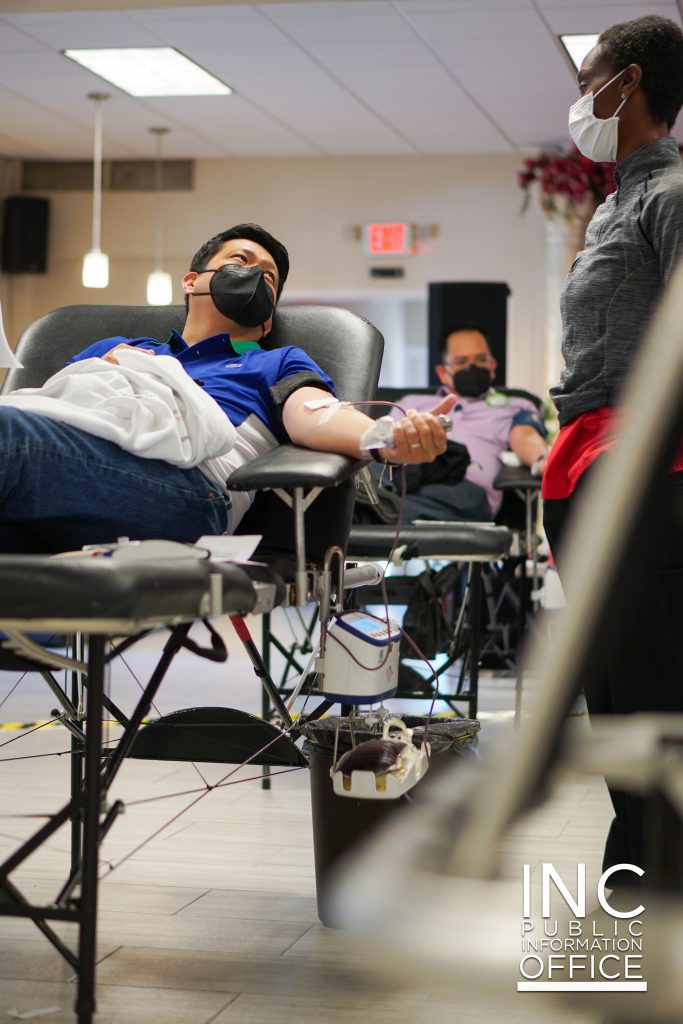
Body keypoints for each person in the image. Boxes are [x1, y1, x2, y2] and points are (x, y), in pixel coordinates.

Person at [0, 223, 453, 554]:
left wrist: (386, 438)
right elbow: (55, 409)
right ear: (191, 281)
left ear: (269, 315)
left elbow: (317, 413)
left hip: (190, 493)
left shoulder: (274, 361)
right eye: (240, 261)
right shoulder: (119, 350)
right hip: (72, 467)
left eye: (269, 278)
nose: (255, 274)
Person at [541, 15, 683, 885]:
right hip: (592, 463)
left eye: (586, 74)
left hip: (643, 470)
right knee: (621, 703)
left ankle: (650, 904)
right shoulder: (618, 201)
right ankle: (636, 890)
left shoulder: (670, 193)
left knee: (649, 705)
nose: (579, 93)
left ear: (624, 83)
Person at [394, 322, 548, 521]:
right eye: (461, 361)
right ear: (442, 372)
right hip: (404, 481)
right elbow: (380, 441)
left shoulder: (515, 405)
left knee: (389, 510)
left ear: (492, 366)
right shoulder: (410, 403)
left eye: (481, 359)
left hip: (464, 490)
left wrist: (542, 460)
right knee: (378, 501)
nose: (472, 368)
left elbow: (525, 436)